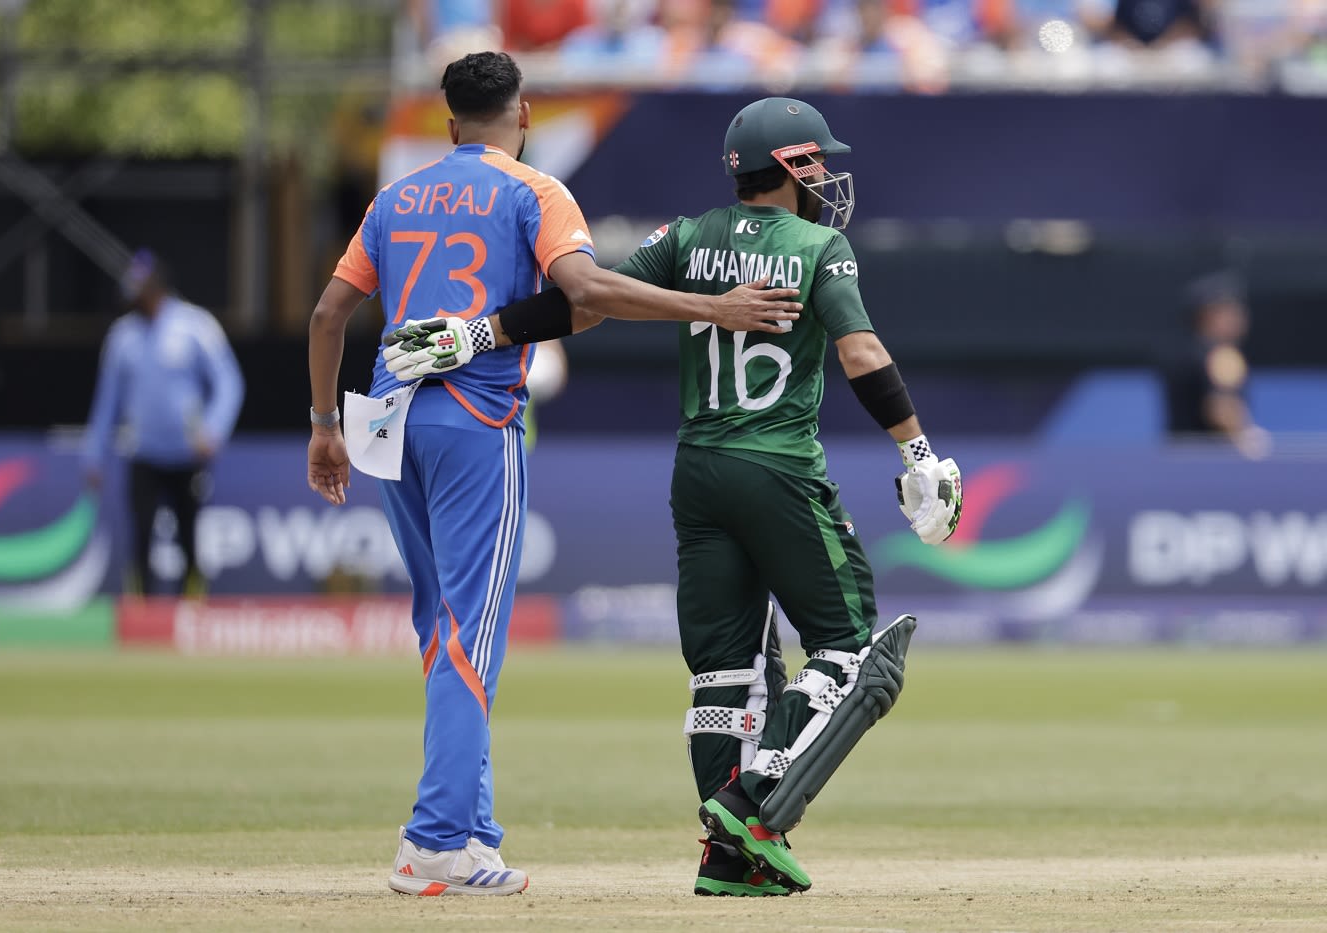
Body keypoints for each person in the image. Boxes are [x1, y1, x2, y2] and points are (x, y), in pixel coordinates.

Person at [383, 96, 963, 896]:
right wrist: (918, 449)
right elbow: (860, 350)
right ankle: (752, 806)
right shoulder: (819, 244)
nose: (826, 175)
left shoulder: (688, 236)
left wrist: (478, 332)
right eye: (817, 161)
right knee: (853, 649)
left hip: (698, 472)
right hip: (779, 466)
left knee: (722, 679)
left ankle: (728, 859)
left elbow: (587, 300)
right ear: (790, 167)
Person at [304, 51, 803, 898]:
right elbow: (588, 290)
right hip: (472, 419)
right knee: (472, 634)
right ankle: (431, 843)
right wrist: (713, 307)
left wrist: (323, 426)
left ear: (450, 120)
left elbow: (328, 314)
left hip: (384, 419)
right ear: (523, 114)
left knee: (441, 628)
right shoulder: (534, 192)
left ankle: (469, 839)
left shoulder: (396, 198)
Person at [81, 249, 244, 597]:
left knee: (188, 534)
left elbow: (229, 381)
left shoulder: (194, 326)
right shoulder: (122, 336)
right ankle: (142, 610)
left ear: (156, 286)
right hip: (143, 451)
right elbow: (107, 402)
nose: (133, 296)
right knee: (140, 531)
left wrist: (213, 429)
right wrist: (94, 454)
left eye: (139, 288)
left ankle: (192, 608)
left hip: (187, 453)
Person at [1161, 271, 1270, 458]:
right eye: (1232, 310)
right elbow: (1222, 407)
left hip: (1179, 460)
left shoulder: (1184, 354)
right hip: (1213, 465)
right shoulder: (1222, 356)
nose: (1241, 317)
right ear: (1208, 315)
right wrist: (1247, 439)